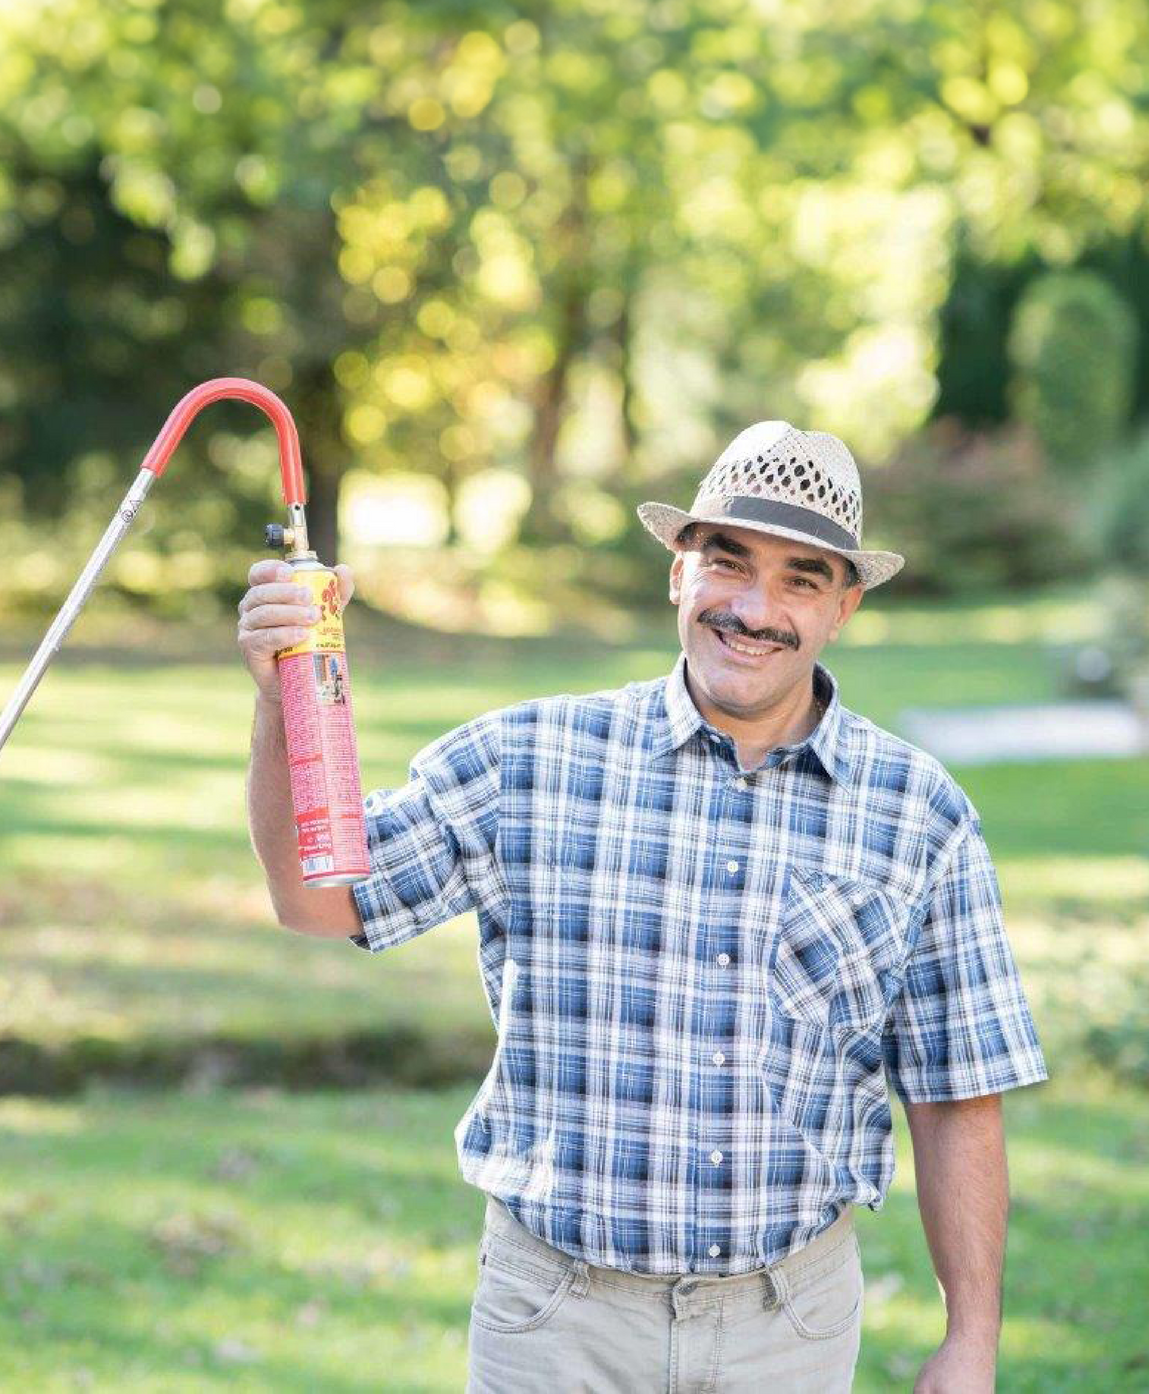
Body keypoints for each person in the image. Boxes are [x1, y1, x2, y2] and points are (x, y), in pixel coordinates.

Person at [238, 420, 1049, 1392]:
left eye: (800, 579)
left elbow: (957, 1093)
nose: (753, 609)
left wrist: (970, 1338)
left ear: (843, 606)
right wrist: (281, 700)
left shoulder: (916, 814)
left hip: (787, 1329)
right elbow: (317, 899)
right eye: (727, 561)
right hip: (555, 1324)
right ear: (677, 571)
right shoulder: (528, 762)